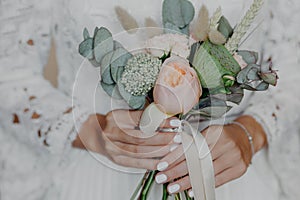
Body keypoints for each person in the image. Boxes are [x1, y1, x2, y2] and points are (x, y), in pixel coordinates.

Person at [0, 0, 299, 199]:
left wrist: (252, 131)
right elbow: (9, 74)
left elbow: (293, 68)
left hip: (229, 178)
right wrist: (93, 131)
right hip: (98, 179)